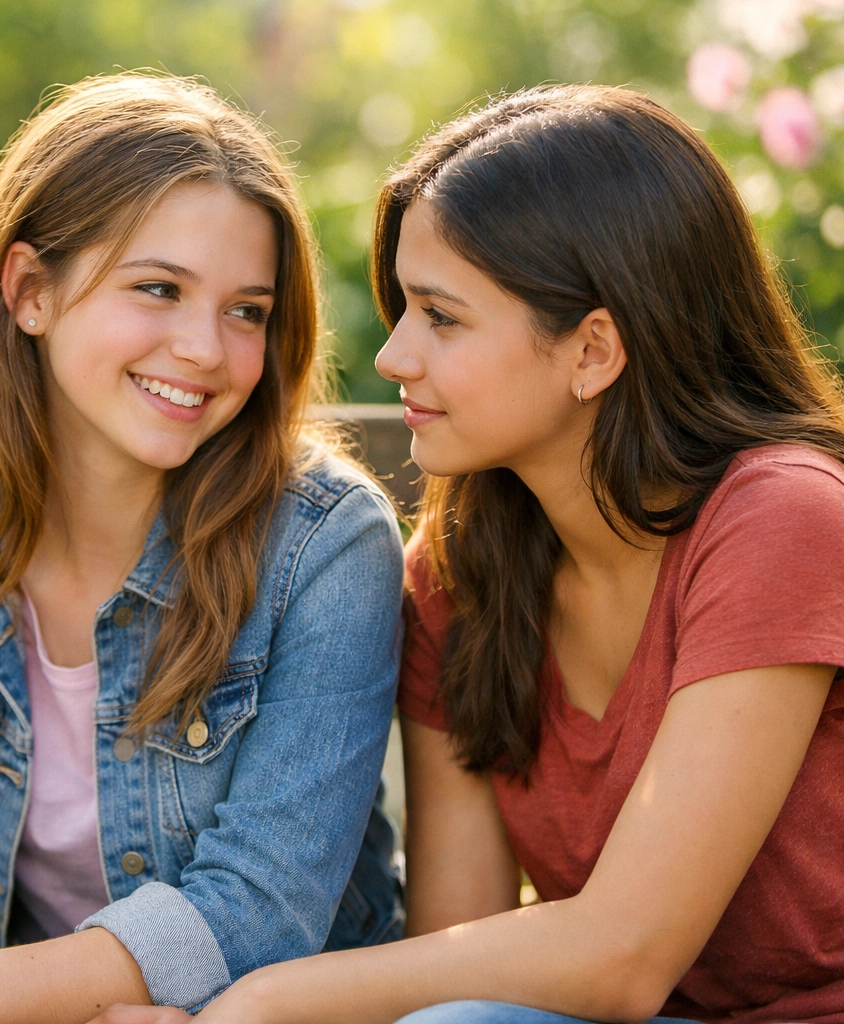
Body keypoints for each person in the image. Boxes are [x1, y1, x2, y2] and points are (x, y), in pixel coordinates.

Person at [118, 84, 844, 1024]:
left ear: (593, 351)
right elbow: (458, 947)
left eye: (441, 317)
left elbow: (622, 955)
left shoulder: (782, 520)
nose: (393, 356)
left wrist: (253, 1006)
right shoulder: (458, 573)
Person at [0, 73, 405, 1024]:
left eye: (246, 310)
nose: (207, 351)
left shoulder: (324, 545)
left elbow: (261, 912)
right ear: (30, 291)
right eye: (159, 289)